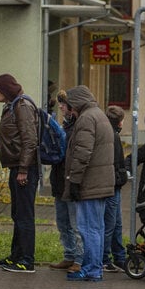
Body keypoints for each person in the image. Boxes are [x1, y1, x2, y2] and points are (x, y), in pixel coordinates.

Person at [63, 85, 115, 282]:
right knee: (97, 227)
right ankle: (95, 266)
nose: (68, 109)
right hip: (100, 182)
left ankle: (92, 269)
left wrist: (74, 180)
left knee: (88, 228)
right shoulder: (99, 115)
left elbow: (82, 153)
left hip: (90, 183)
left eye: (69, 105)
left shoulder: (86, 119)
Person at [0, 73, 39, 274]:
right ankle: (16, 255)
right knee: (17, 213)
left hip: (24, 170)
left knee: (24, 215)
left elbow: (30, 140)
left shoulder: (22, 107)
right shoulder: (13, 106)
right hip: (17, 167)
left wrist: (23, 169)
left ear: (5, 90)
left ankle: (26, 260)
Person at [48, 92, 83, 273]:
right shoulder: (65, 126)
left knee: (75, 223)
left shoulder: (77, 127)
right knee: (63, 222)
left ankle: (79, 258)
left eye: (63, 104)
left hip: (70, 182)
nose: (60, 107)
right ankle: (69, 254)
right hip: (60, 181)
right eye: (60, 104)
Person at [102, 105, 129, 273]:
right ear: (119, 122)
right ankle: (105, 258)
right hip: (112, 184)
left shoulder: (111, 134)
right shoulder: (113, 137)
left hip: (113, 183)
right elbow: (116, 162)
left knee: (116, 223)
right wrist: (121, 177)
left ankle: (119, 255)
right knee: (110, 223)